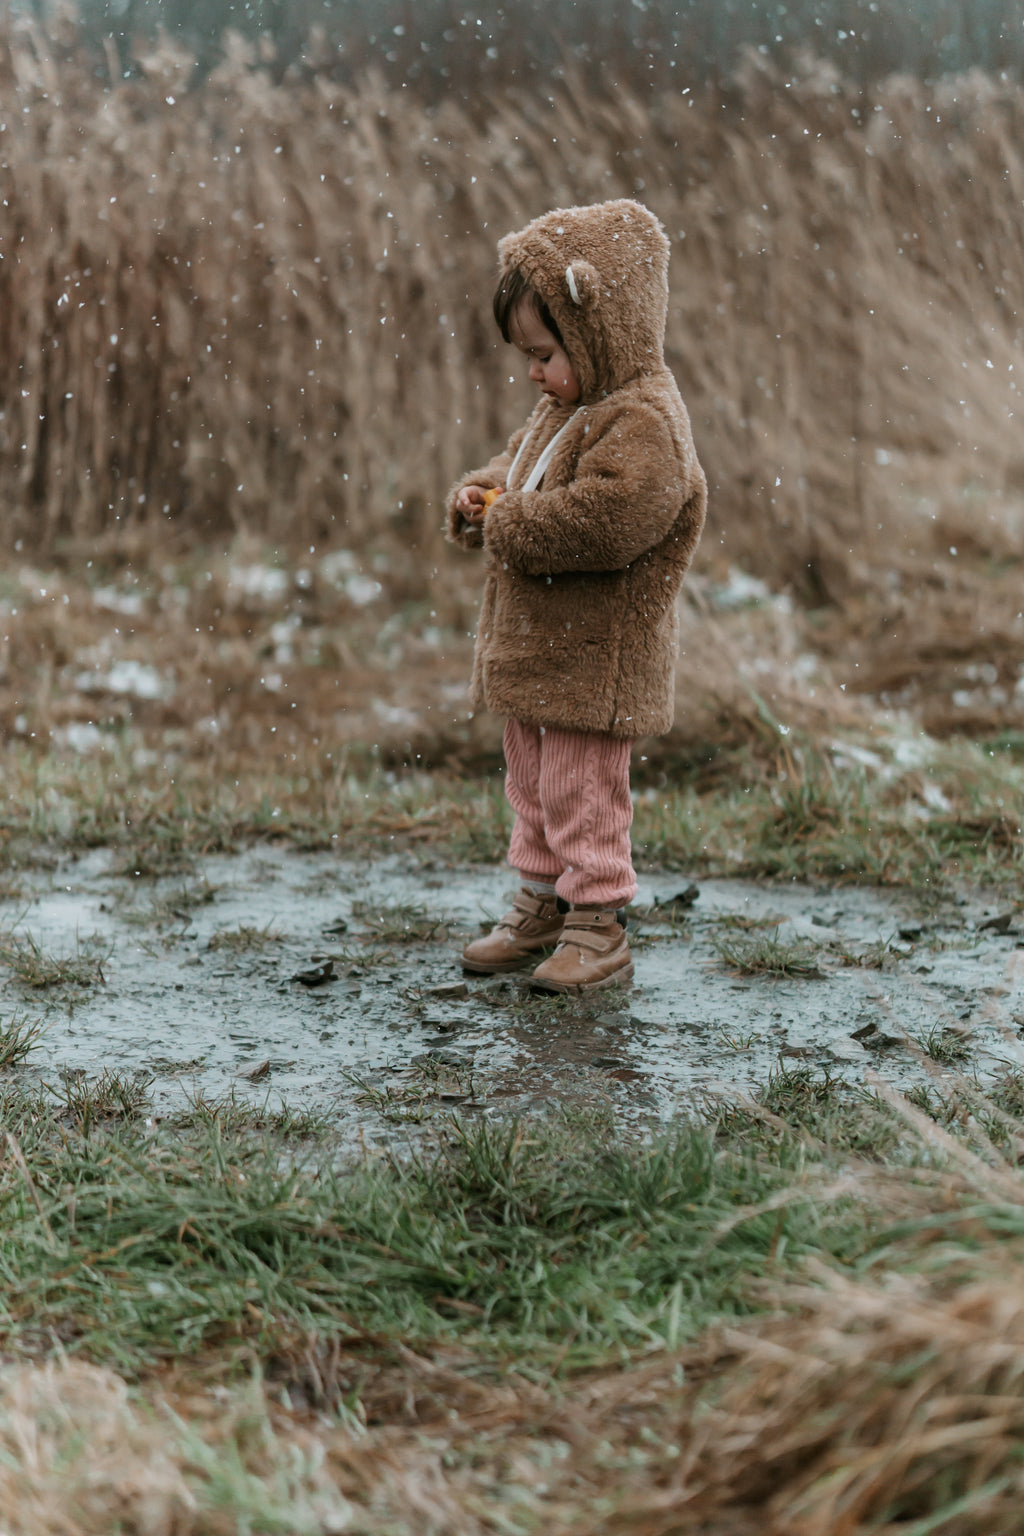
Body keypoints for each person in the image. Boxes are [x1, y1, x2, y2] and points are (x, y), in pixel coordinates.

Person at [445, 198, 707, 994]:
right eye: (528, 352)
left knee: (584, 790)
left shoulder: (643, 424)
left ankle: (598, 921)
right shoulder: (568, 406)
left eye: (546, 350)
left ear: (602, 329)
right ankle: (542, 900)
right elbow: (520, 470)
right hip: (539, 654)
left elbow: (607, 519)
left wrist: (511, 523)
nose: (534, 370)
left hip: (597, 659)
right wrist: (481, 496)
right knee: (532, 784)